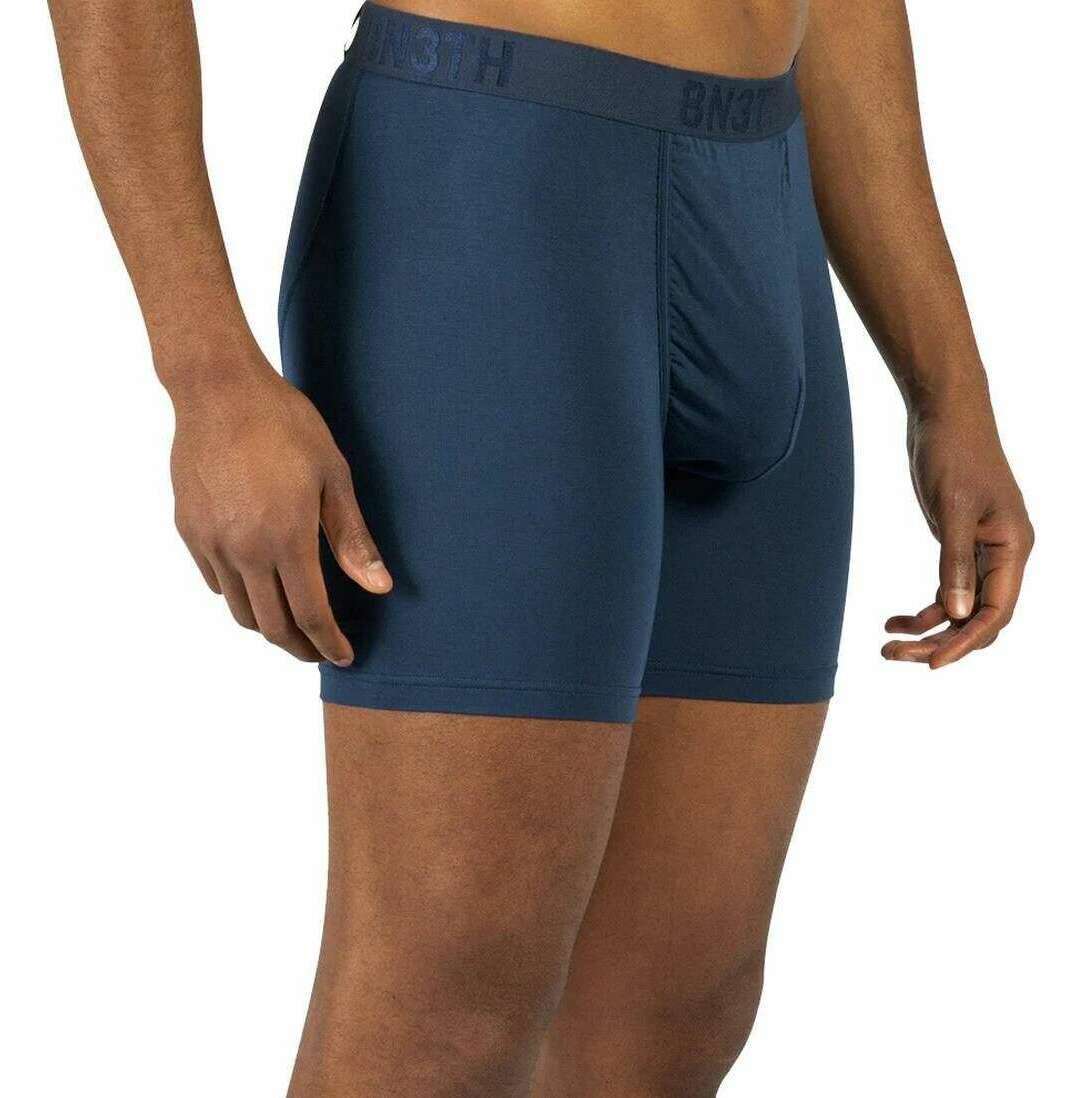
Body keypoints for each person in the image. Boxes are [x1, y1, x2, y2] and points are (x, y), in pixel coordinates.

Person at [47, 1, 1033, 1094]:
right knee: (441, 1021)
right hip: (486, 193)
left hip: (767, 198)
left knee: (675, 1011)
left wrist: (949, 387)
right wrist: (206, 372)